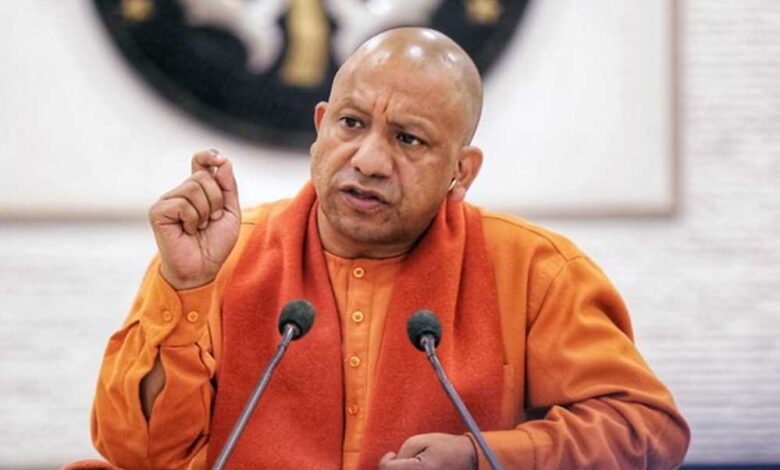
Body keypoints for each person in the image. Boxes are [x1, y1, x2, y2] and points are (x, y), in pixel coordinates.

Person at [90, 27, 690, 469]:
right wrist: (185, 290)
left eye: (408, 139)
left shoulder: (533, 270)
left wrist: (485, 457)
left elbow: (646, 429)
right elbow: (136, 454)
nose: (370, 160)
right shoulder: (220, 256)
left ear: (461, 172)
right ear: (320, 127)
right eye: (351, 124)